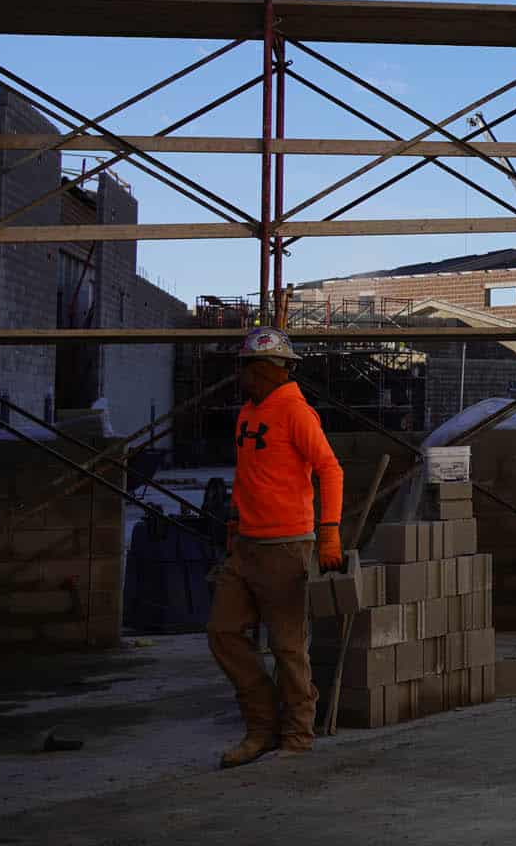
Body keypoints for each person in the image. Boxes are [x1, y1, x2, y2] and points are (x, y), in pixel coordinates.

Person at [207, 327, 345, 767]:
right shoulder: (248, 412)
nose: (242, 375)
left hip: (287, 546)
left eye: (248, 367)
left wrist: (329, 532)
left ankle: (297, 735)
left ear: (268, 369)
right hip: (246, 545)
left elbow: (330, 469)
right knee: (223, 632)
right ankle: (262, 725)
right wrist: (234, 526)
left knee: (288, 647)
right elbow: (247, 475)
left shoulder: (295, 412)